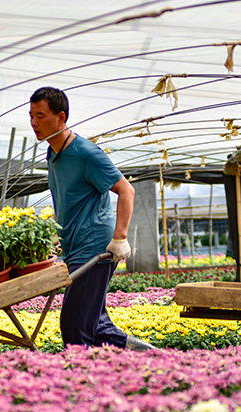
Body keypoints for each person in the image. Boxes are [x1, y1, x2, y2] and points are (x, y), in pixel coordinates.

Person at [29, 86, 155, 350]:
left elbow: (126, 190)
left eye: (40, 116)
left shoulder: (86, 153)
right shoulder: (53, 153)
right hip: (75, 248)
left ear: (61, 117)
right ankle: (145, 355)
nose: (34, 122)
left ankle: (84, 378)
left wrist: (120, 237)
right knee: (93, 323)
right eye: (31, 116)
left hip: (95, 247)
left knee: (75, 324)